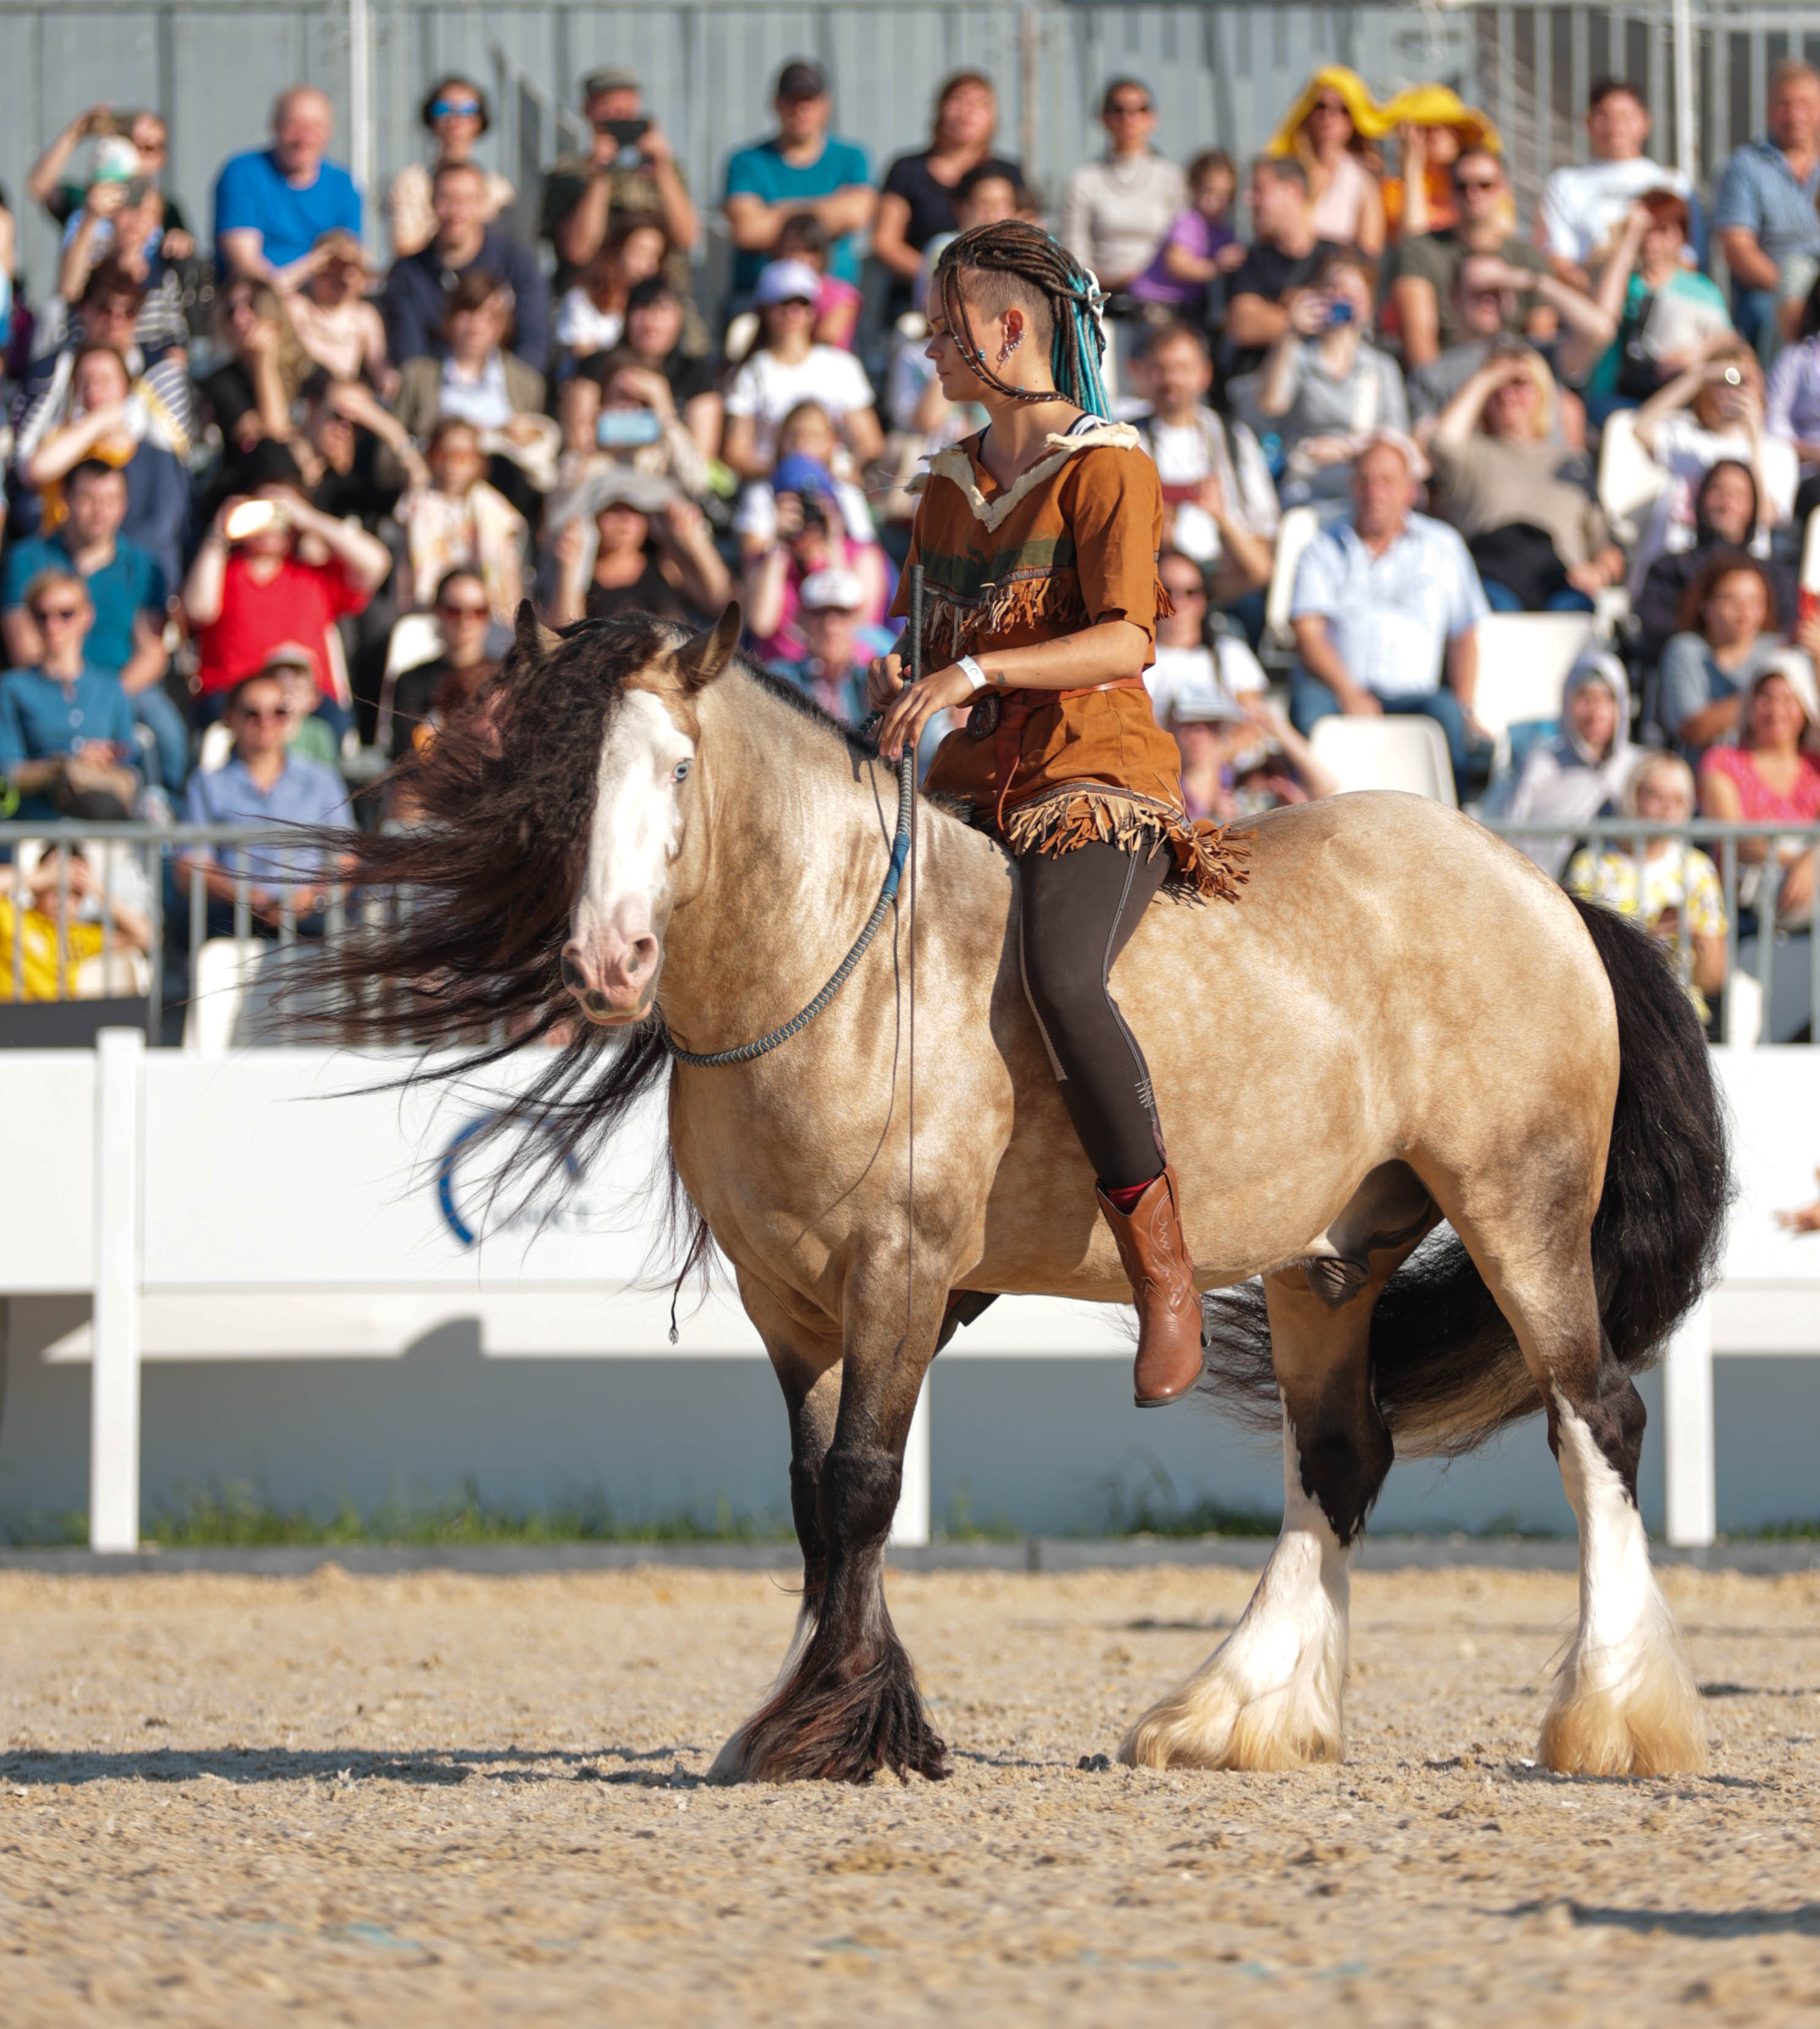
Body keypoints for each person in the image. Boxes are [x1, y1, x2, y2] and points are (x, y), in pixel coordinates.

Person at [865, 220, 1251, 1408]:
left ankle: (1165, 1274)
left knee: (1064, 978)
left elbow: (1128, 639)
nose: (932, 349)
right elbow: (928, 638)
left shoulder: (1109, 463)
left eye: (946, 328)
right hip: (967, 787)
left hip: (1094, 775)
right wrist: (909, 668)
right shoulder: (943, 481)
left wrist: (975, 672)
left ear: (1008, 328)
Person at [1288, 432, 1491, 786]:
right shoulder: (1322, 548)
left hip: (1416, 696)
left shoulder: (1444, 546)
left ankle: (1452, 815)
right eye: (1365, 481)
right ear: (1352, 486)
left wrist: (1466, 706)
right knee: (1307, 707)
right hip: (1339, 691)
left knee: (1448, 715)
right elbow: (1307, 633)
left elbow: (1464, 632)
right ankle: (1311, 813)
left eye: (1386, 481)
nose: (1375, 492)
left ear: (1410, 490)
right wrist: (1348, 692)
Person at [1, 461, 186, 796]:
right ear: (65, 500)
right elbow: (24, 646)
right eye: (88, 498)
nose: (100, 511)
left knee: (167, 730)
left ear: (125, 504)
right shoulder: (28, 558)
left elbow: (152, 653)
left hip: (123, 686)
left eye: (111, 499)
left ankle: (166, 806)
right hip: (45, 683)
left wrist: (104, 700)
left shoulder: (144, 566)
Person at [183, 484, 391, 738]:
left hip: (307, 700)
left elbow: (376, 564)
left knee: (331, 726)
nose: (269, 526)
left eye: (277, 516)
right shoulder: (224, 572)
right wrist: (218, 535)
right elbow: (199, 610)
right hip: (235, 695)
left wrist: (309, 518)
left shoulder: (313, 576)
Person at [1428, 347, 1624, 611]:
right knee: (1495, 608)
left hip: (1561, 582)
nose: (1508, 394)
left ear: (1543, 394)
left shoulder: (1572, 466)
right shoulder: (1473, 454)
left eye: (1520, 384)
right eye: (1499, 386)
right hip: (1493, 578)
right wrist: (1487, 377)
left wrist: (1598, 572)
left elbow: (1608, 548)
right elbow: (1441, 441)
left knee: (1574, 612)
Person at [181, 668, 353, 938]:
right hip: (231, 918)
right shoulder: (205, 784)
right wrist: (242, 895)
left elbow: (346, 860)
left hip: (314, 919)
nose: (266, 722)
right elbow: (190, 865)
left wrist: (311, 897)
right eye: (252, 713)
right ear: (230, 718)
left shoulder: (323, 779)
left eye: (279, 711)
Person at [1389, 148, 1592, 371]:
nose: (1473, 193)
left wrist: (1528, 280)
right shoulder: (1422, 250)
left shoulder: (1528, 258)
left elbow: (1541, 347)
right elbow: (1420, 344)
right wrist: (1441, 386)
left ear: (1503, 189)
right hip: (1448, 376)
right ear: (1450, 190)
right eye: (1462, 186)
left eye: (1485, 185)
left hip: (1512, 377)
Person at [20, 342, 192, 596]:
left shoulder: (157, 453)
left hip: (137, 585)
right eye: (85, 381)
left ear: (127, 386)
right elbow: (37, 470)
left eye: (105, 379)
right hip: (65, 582)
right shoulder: (65, 444)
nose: (94, 389)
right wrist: (100, 421)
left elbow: (163, 527)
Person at [1566, 753, 1729, 1022]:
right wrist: (1646, 941)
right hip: (1609, 1015)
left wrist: (1695, 935)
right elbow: (1575, 959)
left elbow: (1712, 981)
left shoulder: (1698, 869)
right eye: (1655, 796)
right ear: (1632, 797)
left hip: (1679, 1018)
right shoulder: (1590, 866)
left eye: (1679, 800)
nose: (1667, 809)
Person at [1630, 341, 1798, 589]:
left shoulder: (1778, 451)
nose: (1732, 389)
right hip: (1672, 574)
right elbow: (1639, 428)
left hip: (1734, 581)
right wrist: (1698, 375)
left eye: (1743, 381)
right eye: (1724, 381)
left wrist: (1754, 438)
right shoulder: (1684, 435)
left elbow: (1765, 516)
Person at [1129, 323, 1275, 606]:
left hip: (1221, 583)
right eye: (1161, 369)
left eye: (1182, 368)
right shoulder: (1126, 440)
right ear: (1144, 373)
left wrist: (1220, 516)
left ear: (1205, 374)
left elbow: (1262, 558)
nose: (1172, 379)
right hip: (1150, 580)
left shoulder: (1232, 438)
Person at [1249, 250, 1409, 505]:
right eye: (1334, 288)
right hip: (1306, 484)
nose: (1344, 297)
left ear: (1370, 304)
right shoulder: (1298, 355)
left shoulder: (1382, 367)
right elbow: (1271, 405)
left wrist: (1346, 448)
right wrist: (1290, 334)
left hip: (1364, 487)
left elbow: (1396, 437)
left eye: (1355, 292)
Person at [722, 60, 875, 301]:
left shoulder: (851, 158)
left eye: (809, 101)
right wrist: (829, 211)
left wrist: (774, 214)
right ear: (777, 104)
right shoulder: (746, 161)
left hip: (832, 301)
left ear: (825, 105)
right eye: (792, 101)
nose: (801, 110)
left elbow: (856, 214)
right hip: (759, 299)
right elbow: (748, 230)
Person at [541, 68, 700, 299]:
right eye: (607, 107)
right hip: (593, 298)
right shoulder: (568, 174)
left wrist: (663, 168)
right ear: (588, 110)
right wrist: (600, 177)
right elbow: (578, 251)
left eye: (625, 107)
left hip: (658, 298)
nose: (618, 114)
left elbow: (687, 238)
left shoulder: (665, 170)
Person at [874, 73, 1022, 318]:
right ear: (940, 108)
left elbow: (1026, 234)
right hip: (917, 305)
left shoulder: (1009, 173)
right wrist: (941, 276)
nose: (967, 111)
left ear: (993, 117)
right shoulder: (907, 169)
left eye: (979, 104)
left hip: (994, 304)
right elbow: (885, 242)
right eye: (958, 100)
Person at [382, 161, 550, 375]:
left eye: (467, 200)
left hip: (505, 386)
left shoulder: (517, 262)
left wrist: (510, 386)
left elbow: (534, 342)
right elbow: (409, 354)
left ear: (483, 204)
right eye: (446, 199)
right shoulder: (408, 274)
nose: (456, 212)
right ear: (431, 203)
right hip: (436, 387)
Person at [721, 259, 883, 478]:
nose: (792, 312)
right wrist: (789, 473)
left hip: (834, 484)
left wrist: (837, 476)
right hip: (771, 485)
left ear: (813, 310)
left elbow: (869, 443)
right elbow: (736, 453)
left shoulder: (841, 366)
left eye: (802, 303)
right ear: (765, 310)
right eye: (782, 304)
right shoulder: (750, 372)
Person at [0, 571, 139, 821]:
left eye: (66, 614)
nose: (53, 625)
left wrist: (103, 759)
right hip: (37, 826)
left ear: (87, 615)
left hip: (102, 826)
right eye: (42, 616)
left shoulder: (110, 688)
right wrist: (64, 766)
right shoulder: (12, 688)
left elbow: (131, 769)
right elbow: (7, 775)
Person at [1698, 653, 1820, 932]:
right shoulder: (1723, 761)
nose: (1776, 710)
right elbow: (1734, 839)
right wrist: (1800, 862)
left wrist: (1811, 862)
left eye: (1788, 699)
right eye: (1766, 698)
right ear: (1750, 705)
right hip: (1744, 908)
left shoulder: (1816, 767)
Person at [1634, 458, 1794, 669]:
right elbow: (1654, 628)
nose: (1727, 503)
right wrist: (1718, 645)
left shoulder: (1775, 576)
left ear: (1753, 507)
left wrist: (1739, 651)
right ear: (1700, 498)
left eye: (1739, 495)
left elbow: (1786, 634)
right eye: (1718, 491)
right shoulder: (1668, 567)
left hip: (1757, 676)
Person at [739, 437, 889, 660]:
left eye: (811, 505)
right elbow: (761, 624)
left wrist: (833, 542)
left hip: (848, 672)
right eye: (794, 505)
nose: (805, 517)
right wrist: (778, 545)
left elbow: (860, 623)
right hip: (783, 673)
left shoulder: (863, 555)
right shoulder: (767, 559)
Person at [1538, 78, 1693, 289]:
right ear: (1588, 122)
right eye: (1604, 116)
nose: (1615, 126)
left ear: (1645, 121)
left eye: (1625, 116)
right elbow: (1558, 259)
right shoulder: (1563, 183)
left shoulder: (1671, 182)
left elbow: (1687, 259)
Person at [1586, 191, 1733, 414]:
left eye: (1662, 230)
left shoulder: (1703, 290)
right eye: (1646, 230)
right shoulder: (1619, 278)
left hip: (1678, 404)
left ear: (1681, 235)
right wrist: (1629, 237)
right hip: (1616, 399)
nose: (1651, 239)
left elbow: (1728, 345)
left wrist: (1697, 354)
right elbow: (1602, 314)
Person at [1715, 60, 1820, 353]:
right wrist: (1796, 292)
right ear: (1769, 109)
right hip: (1770, 290)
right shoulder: (1746, 166)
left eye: (1805, 104)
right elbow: (1738, 249)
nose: (1795, 115)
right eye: (1784, 105)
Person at [562, 274, 722, 467]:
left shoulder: (696, 372)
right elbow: (575, 443)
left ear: (680, 316)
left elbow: (702, 460)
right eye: (642, 309)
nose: (651, 323)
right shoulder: (596, 365)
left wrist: (662, 404)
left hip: (667, 476)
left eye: (662, 310)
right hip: (605, 470)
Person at [1503, 648, 1635, 877]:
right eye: (1584, 697)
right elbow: (1507, 831)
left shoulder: (1638, 768)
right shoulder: (1541, 764)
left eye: (1607, 698)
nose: (1596, 711)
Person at [546, 469, 730, 628]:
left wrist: (696, 542)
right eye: (613, 509)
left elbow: (720, 604)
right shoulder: (582, 577)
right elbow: (564, 634)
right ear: (593, 519)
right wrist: (570, 570)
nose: (625, 519)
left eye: (635, 509)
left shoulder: (667, 564)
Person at [1060, 79, 1186, 308]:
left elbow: (1183, 242)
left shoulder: (1171, 178)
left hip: (1163, 301)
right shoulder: (1085, 179)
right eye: (1118, 110)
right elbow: (1074, 249)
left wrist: (1149, 279)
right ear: (1104, 118)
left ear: (1153, 119)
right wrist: (1107, 279)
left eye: (1139, 109)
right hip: (1101, 299)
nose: (1129, 118)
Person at [213, 87, 362, 280]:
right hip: (259, 292)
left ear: (329, 131)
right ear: (275, 125)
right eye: (295, 125)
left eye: (315, 127)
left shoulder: (342, 184)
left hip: (321, 292)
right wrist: (302, 272)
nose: (304, 138)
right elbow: (247, 267)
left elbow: (348, 258)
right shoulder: (244, 174)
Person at [1221, 156, 1344, 376]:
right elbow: (1244, 324)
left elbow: (1353, 315)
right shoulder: (1248, 259)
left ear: (1292, 190)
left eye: (1259, 190)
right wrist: (1298, 318)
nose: (1249, 200)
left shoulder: (1338, 255)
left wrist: (1276, 311)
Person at [1657, 554, 1789, 759]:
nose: (1744, 609)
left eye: (1754, 601)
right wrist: (1762, 697)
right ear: (1706, 605)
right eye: (1731, 599)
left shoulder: (1781, 651)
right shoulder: (1684, 650)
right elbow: (1693, 729)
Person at [394, 417, 525, 621]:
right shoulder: (415, 504)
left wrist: (512, 622)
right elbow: (404, 566)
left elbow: (509, 577)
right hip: (428, 612)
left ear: (478, 461)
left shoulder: (497, 511)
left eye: (462, 457)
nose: (451, 465)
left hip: (484, 617)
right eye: (442, 455)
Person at [27, 106, 197, 259]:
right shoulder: (86, 201)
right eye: (131, 142)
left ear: (162, 158)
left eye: (149, 147)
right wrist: (75, 133)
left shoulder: (168, 211)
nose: (137, 154)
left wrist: (180, 244)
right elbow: (39, 188)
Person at [387, 75, 515, 260]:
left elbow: (504, 253)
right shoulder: (410, 184)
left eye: (467, 109)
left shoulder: (499, 189)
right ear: (432, 119)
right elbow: (404, 248)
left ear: (480, 121)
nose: (455, 119)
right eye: (444, 109)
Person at [1265, 67, 1386, 258]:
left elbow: (1370, 250)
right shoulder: (1286, 168)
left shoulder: (1362, 177)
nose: (1329, 116)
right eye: (1320, 106)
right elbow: (1266, 232)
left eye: (1343, 109)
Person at [1144, 548, 1268, 727]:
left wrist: (1213, 746)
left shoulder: (1231, 653)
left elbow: (1255, 724)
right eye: (1167, 591)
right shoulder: (1133, 661)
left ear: (1204, 599)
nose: (1178, 601)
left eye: (1191, 592)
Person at [385, 567, 494, 757]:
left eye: (479, 611)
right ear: (436, 611)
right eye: (454, 611)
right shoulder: (411, 682)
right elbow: (405, 756)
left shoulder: (506, 679)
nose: (466, 621)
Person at [1128, 151, 1243, 321]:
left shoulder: (1224, 231)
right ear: (1193, 188)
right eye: (1209, 191)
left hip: (1187, 306)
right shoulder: (1189, 222)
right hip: (1156, 301)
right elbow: (1176, 265)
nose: (1216, 201)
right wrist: (1215, 268)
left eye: (1225, 195)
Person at [275, 231, 394, 390]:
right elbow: (266, 294)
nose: (340, 277)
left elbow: (381, 369)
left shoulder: (364, 315)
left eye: (348, 269)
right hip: (306, 394)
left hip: (346, 395)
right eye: (330, 269)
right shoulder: (299, 308)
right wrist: (311, 262)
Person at [552, 212, 671, 365]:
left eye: (656, 256)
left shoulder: (659, 304)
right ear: (618, 248)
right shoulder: (582, 298)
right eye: (641, 252)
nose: (650, 265)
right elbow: (583, 356)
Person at [766, 566, 874, 724]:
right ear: (802, 619)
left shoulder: (871, 681)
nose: (830, 626)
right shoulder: (779, 678)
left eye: (842, 614)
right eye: (820, 613)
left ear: (857, 619)